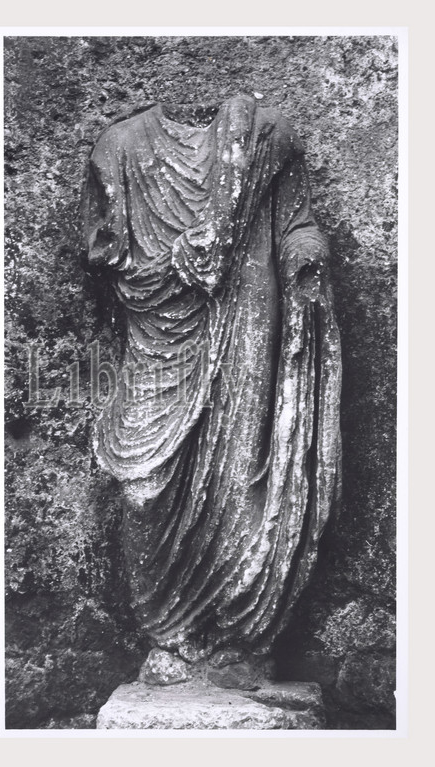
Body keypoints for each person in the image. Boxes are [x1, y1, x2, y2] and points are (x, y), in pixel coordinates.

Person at [82, 95, 341, 684]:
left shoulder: (267, 136)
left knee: (242, 483)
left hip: (246, 321)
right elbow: (102, 248)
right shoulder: (120, 147)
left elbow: (297, 226)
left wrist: (305, 259)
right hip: (158, 333)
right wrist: (157, 256)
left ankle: (238, 646)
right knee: (142, 490)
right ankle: (168, 639)